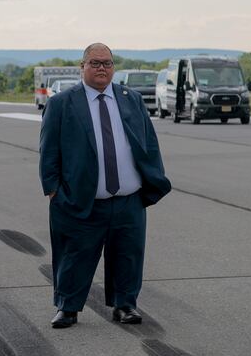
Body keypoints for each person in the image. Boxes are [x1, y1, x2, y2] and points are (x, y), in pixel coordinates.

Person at [39, 43, 171, 328]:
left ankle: (125, 305)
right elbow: (49, 151)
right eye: (95, 63)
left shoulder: (131, 99)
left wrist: (153, 180)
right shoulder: (62, 103)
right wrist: (53, 190)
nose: (101, 68)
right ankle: (68, 307)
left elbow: (148, 142)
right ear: (82, 67)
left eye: (107, 63)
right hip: (81, 199)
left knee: (128, 254)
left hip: (128, 199)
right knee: (74, 255)